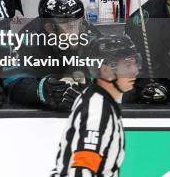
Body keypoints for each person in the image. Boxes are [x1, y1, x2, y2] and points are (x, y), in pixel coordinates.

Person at [51, 35, 141, 177]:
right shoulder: (97, 110)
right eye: (128, 65)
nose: (135, 70)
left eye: (136, 63)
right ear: (106, 70)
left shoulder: (102, 102)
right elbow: (81, 170)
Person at [5, 0, 102, 111]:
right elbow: (12, 82)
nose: (77, 32)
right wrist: (40, 91)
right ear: (49, 28)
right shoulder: (25, 39)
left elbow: (111, 78)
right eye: (70, 26)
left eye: (79, 22)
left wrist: (90, 89)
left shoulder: (91, 35)